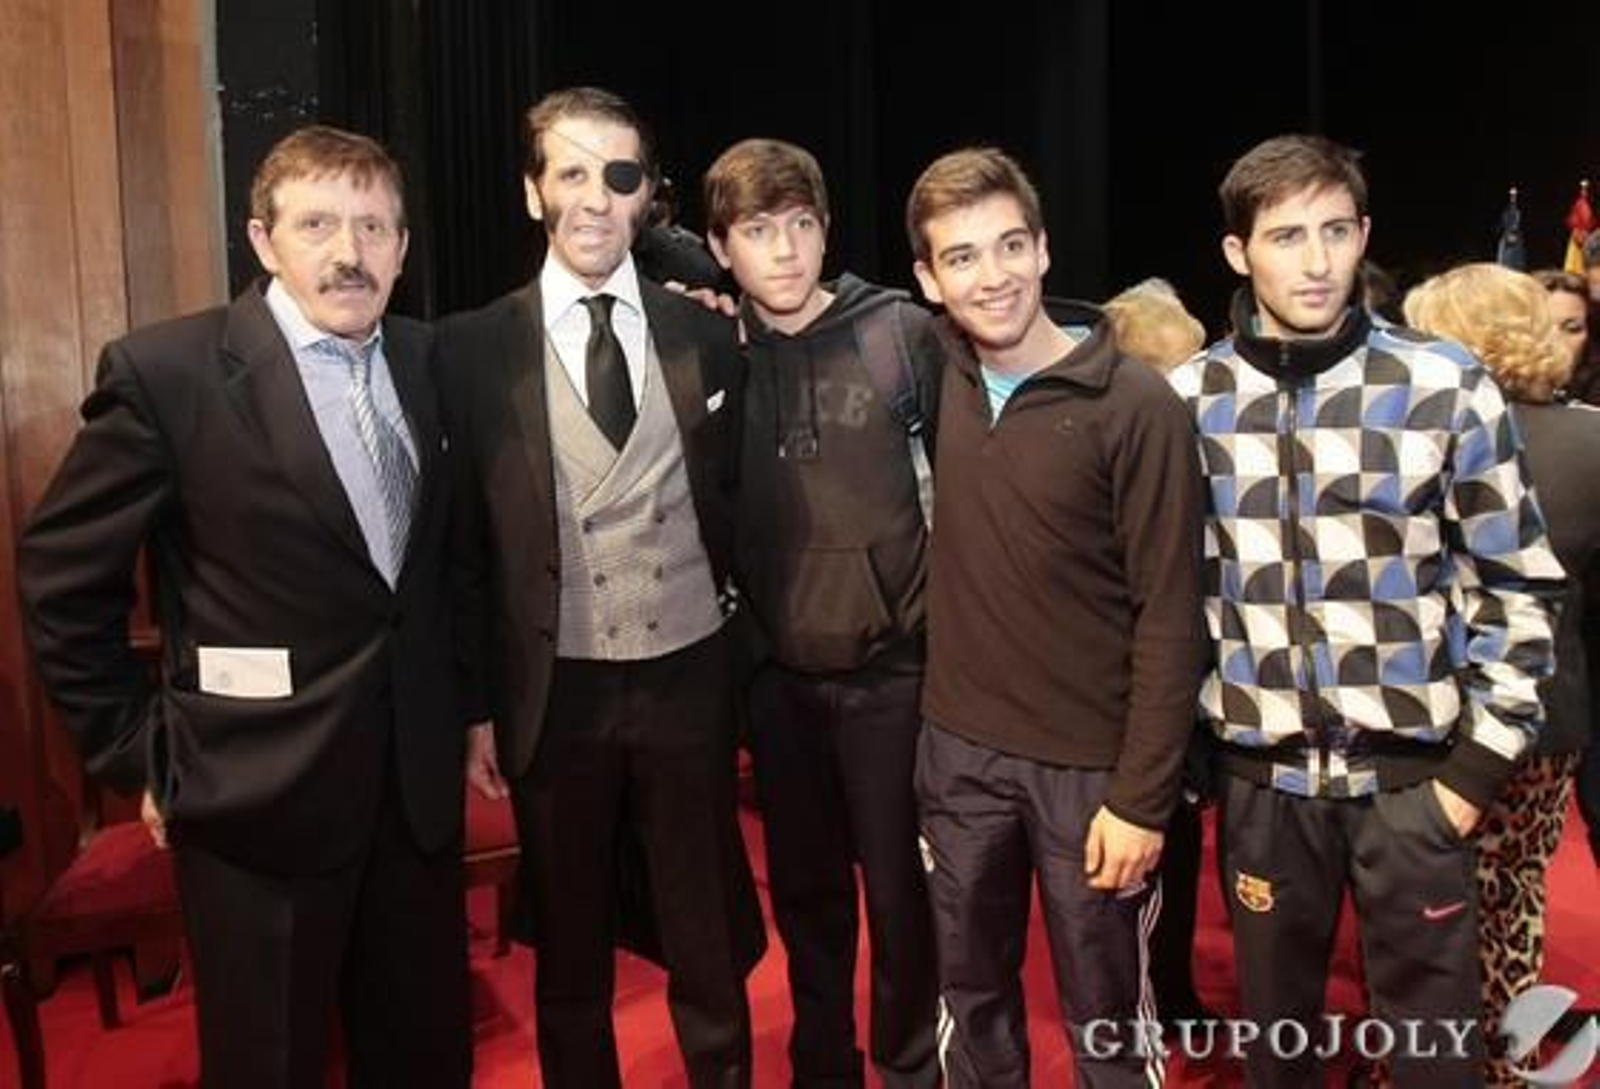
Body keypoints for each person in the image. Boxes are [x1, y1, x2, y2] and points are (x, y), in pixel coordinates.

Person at [16, 126, 470, 1088]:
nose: (348, 251)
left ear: (401, 246)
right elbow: (61, 580)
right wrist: (143, 751)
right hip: (255, 803)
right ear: (262, 240)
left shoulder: (434, 364)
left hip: (415, 803)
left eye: (372, 226)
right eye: (317, 224)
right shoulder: (168, 374)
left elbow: (438, 577)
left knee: (424, 1058)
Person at [1166, 134, 1565, 1087]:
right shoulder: (1188, 401)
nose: (1314, 261)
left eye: (1335, 231)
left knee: (1435, 1059)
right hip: (1262, 789)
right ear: (1237, 253)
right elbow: (1165, 597)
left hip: (1413, 784)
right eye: (1287, 235)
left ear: (1364, 236)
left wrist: (1471, 773)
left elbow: (1518, 583)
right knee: (1279, 1055)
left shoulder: (1444, 385)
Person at [436, 86, 763, 1089]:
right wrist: (479, 706)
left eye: (617, 176)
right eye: (569, 172)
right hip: (555, 693)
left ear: (646, 199)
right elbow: (461, 552)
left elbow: (736, 503)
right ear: (532, 190)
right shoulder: (467, 348)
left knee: (706, 941)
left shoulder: (705, 334)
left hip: (686, 683)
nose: (592, 197)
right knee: (570, 954)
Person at [906, 146, 1208, 1087]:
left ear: (1042, 250)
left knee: (1108, 1022)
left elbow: (1173, 612)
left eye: (1007, 247)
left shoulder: (1137, 406)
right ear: (928, 278)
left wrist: (1141, 796)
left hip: (1094, 775)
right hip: (958, 758)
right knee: (972, 1001)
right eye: (961, 257)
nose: (989, 276)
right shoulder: (933, 372)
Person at [701, 136, 941, 1089]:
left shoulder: (900, 335)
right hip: (779, 680)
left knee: (902, 894)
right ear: (723, 247)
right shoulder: (716, 348)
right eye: (760, 231)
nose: (787, 250)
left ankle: (911, 1064)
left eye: (801, 225)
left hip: (895, 673)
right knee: (806, 897)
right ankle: (822, 1061)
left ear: (827, 228)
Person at [1403, 261, 1600, 1086]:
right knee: (1513, 895)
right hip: (1551, 716)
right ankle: (1504, 1062)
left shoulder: (1421, 437)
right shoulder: (1592, 437)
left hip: (1434, 718)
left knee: (1421, 907)